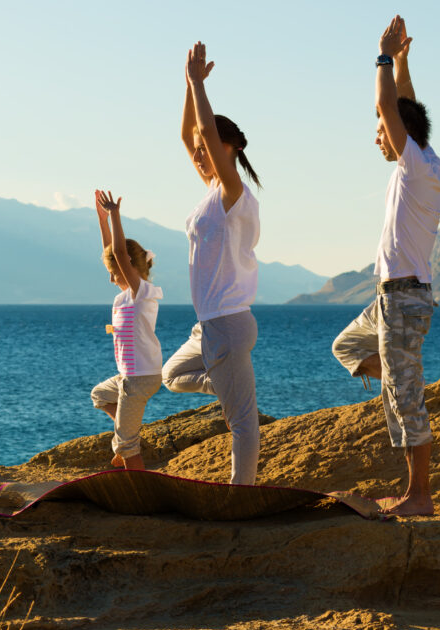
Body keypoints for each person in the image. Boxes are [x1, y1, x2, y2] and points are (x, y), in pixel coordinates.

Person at [332, 16, 440, 516]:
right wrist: (403, 62)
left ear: (400, 134)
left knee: (404, 402)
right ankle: (403, 378)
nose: (378, 136)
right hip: (391, 300)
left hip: (402, 298)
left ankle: (419, 497)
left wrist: (381, 56)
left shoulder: (416, 165)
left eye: (381, 131)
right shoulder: (426, 157)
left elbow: (390, 107)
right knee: (347, 345)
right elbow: (404, 108)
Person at [162, 41, 262, 485]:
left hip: (227, 322)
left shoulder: (232, 193)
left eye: (208, 146)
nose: (198, 153)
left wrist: (201, 85)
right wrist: (187, 85)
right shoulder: (211, 192)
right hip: (209, 325)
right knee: (173, 375)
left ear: (227, 149)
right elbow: (188, 135)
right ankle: (226, 385)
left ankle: (241, 492)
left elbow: (200, 128)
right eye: (199, 150)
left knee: (242, 423)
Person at [90, 189, 164, 471]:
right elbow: (112, 252)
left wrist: (115, 214)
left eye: (115, 271)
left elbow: (119, 252)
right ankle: (128, 427)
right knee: (100, 394)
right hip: (128, 377)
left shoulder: (141, 293)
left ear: (128, 266)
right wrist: (102, 220)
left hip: (141, 377)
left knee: (124, 444)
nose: (110, 278)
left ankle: (138, 481)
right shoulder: (125, 295)